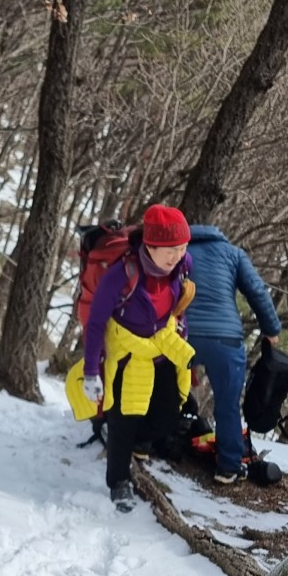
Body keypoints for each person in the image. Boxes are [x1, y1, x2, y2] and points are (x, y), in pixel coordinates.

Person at [81, 204, 195, 513]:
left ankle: (126, 439)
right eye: (170, 249)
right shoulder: (122, 275)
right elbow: (95, 323)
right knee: (123, 422)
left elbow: (180, 306)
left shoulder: (183, 266)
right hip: (127, 358)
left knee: (169, 417)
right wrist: (92, 371)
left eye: (182, 247)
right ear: (150, 245)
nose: (177, 255)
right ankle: (119, 482)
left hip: (160, 353)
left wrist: (180, 332)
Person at [185, 224, 282, 485]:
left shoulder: (179, 248)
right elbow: (257, 291)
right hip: (225, 341)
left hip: (183, 337)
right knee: (227, 406)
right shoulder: (232, 253)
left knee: (167, 391)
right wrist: (271, 329)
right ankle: (228, 467)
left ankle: (157, 442)